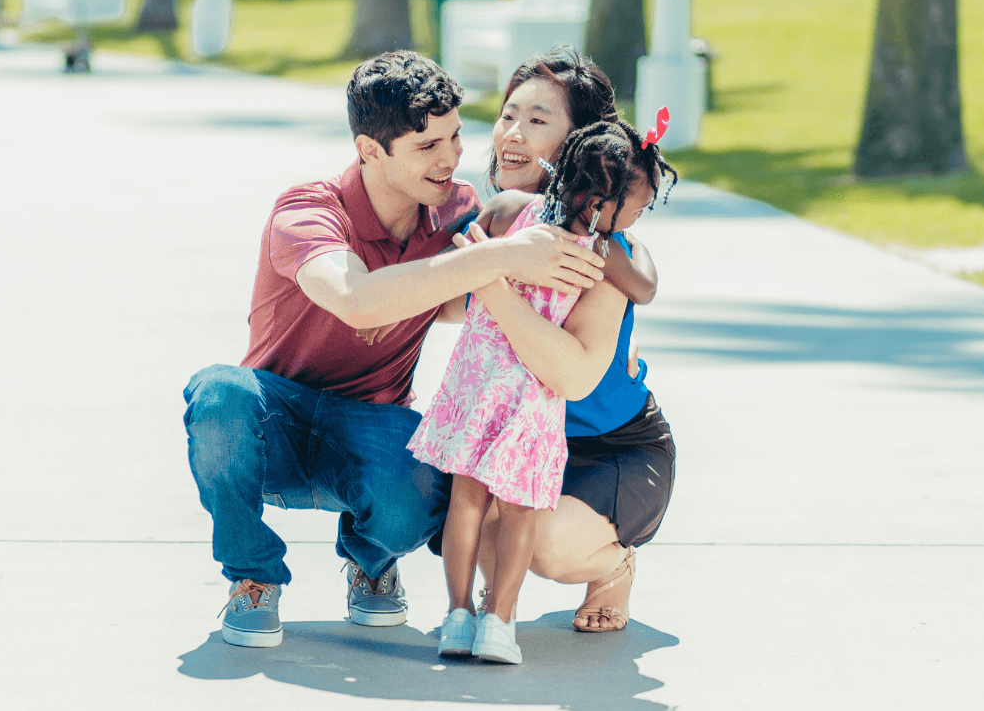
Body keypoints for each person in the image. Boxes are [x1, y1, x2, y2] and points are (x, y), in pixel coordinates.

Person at [183, 51, 610, 649]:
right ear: (370, 150)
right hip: (275, 421)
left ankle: (371, 559)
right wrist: (499, 257)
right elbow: (357, 300)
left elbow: (518, 282)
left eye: (456, 136)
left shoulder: (460, 213)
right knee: (218, 391)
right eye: (426, 145)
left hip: (373, 428)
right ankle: (252, 577)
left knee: (434, 475)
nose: (450, 157)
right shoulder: (306, 210)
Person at [409, 119, 670, 664]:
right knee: (513, 512)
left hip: (499, 394)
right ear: (599, 199)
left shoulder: (518, 216)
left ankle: (460, 618)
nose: (638, 220)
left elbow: (468, 259)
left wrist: (489, 272)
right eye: (638, 208)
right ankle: (496, 625)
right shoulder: (595, 252)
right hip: (529, 401)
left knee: (470, 504)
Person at [473, 48, 680, 635]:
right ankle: (486, 606)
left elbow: (638, 286)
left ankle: (613, 565)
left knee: (545, 541)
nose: (513, 134)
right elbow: (433, 300)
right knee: (443, 494)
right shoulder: (501, 217)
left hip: (610, 445)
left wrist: (491, 284)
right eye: (508, 114)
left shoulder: (603, 244)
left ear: (581, 144)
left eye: (538, 120)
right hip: (523, 436)